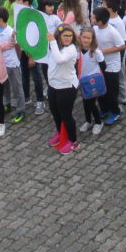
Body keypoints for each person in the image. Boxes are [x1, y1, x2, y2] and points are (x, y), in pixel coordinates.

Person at [46, 24, 80, 154]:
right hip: (53, 85)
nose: (67, 38)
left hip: (66, 87)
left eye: (70, 36)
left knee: (66, 115)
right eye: (65, 35)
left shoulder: (71, 49)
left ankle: (73, 141)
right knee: (55, 111)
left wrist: (53, 42)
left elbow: (60, 60)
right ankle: (60, 132)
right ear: (59, 36)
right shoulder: (54, 46)